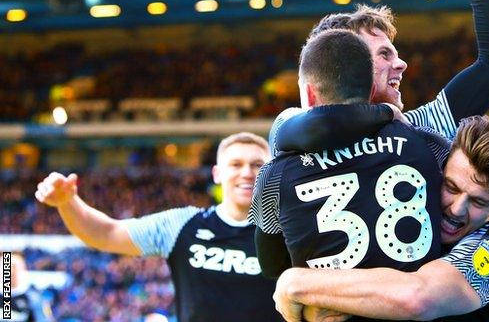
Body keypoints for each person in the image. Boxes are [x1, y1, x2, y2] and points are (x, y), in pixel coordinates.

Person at [250, 28, 451, 322]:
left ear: (308, 94)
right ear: (372, 90)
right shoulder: (428, 144)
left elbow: (270, 266)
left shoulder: (273, 175)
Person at [271, 115, 489, 322]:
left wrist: (297, 283)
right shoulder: (409, 219)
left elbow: (418, 298)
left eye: (478, 201)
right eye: (451, 187)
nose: (457, 209)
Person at [269, 0, 489, 155]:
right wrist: (388, 114)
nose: (402, 64)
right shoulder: (293, 128)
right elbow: (309, 126)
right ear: (347, 64)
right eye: (384, 54)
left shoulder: (422, 126)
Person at [34, 132, 281, 322]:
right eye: (236, 165)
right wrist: (68, 202)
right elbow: (106, 234)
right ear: (216, 173)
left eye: (258, 165)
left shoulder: (288, 231)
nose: (247, 173)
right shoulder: (183, 225)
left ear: (270, 172)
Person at [1, 252, 54, 322]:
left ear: (22, 269)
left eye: (14, 267)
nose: (11, 271)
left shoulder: (35, 297)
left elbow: (44, 319)